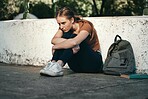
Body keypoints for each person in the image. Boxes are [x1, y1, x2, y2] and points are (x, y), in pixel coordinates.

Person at [40, 7, 103, 77]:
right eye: (59, 24)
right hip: (77, 66)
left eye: (63, 23)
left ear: (72, 20)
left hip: (93, 64)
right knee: (68, 40)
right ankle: (53, 64)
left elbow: (75, 42)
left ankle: (59, 64)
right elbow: (54, 40)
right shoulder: (63, 27)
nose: (61, 26)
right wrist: (67, 43)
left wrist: (56, 46)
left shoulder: (85, 25)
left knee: (75, 39)